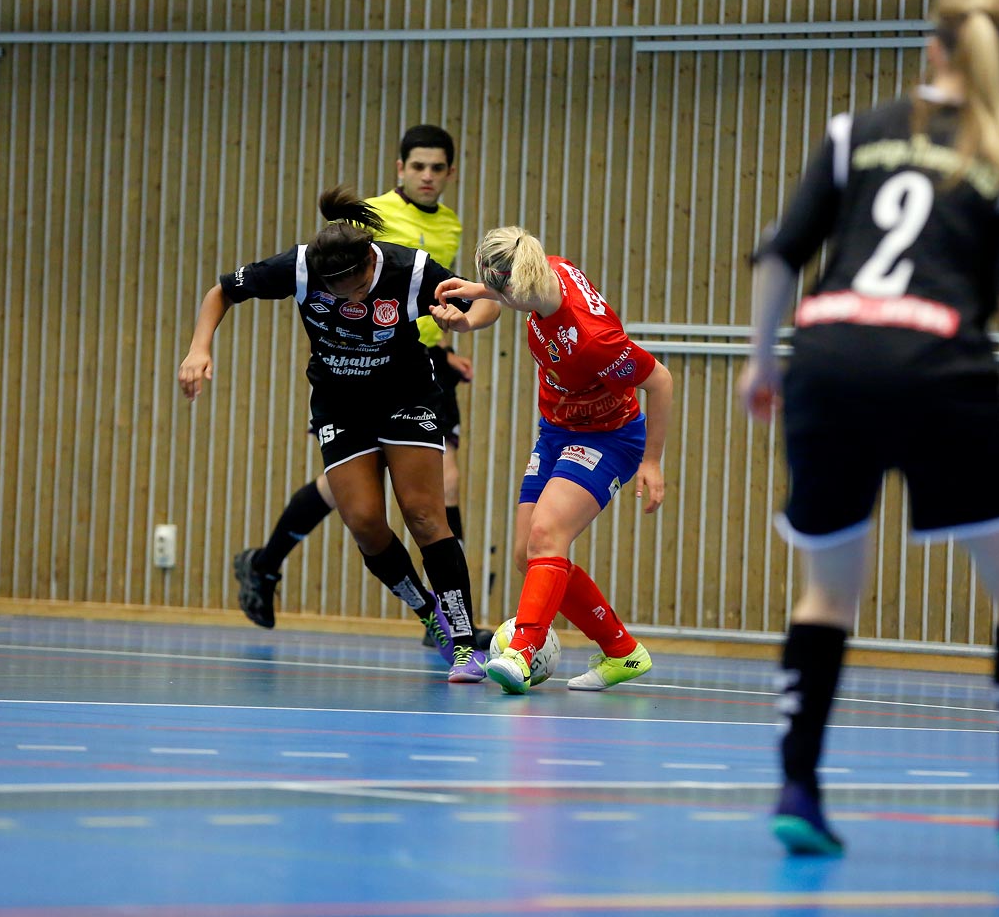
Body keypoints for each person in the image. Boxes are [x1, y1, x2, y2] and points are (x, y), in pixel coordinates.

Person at [736, 0, 999, 855]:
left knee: (828, 589)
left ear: (931, 47)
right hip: (938, 364)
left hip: (827, 360)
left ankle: (799, 785)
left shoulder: (852, 133)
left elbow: (781, 258)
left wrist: (761, 362)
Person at [179, 187, 501, 681]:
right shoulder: (300, 267)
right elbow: (223, 290)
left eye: (353, 291)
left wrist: (465, 321)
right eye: (334, 294)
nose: (345, 301)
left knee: (423, 514)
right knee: (366, 523)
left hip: (405, 395)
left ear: (370, 268)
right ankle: (426, 613)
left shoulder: (408, 270)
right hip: (341, 403)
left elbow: (486, 302)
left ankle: (462, 642)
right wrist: (199, 348)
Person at [228, 125, 492, 650]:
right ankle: (266, 561)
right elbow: (342, 288)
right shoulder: (365, 220)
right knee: (358, 503)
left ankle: (448, 619)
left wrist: (447, 341)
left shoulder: (449, 226)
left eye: (437, 168)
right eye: (418, 166)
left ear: (450, 174)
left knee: (435, 491)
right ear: (400, 168)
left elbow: (438, 296)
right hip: (350, 375)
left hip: (413, 367)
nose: (427, 176)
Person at [431, 227, 674, 695]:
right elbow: (502, 299)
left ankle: (521, 653)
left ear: (520, 286)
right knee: (530, 553)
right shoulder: (545, 268)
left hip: (610, 438)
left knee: (548, 535)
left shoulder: (592, 339)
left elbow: (659, 381)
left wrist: (653, 462)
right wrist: (470, 313)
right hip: (557, 430)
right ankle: (622, 652)